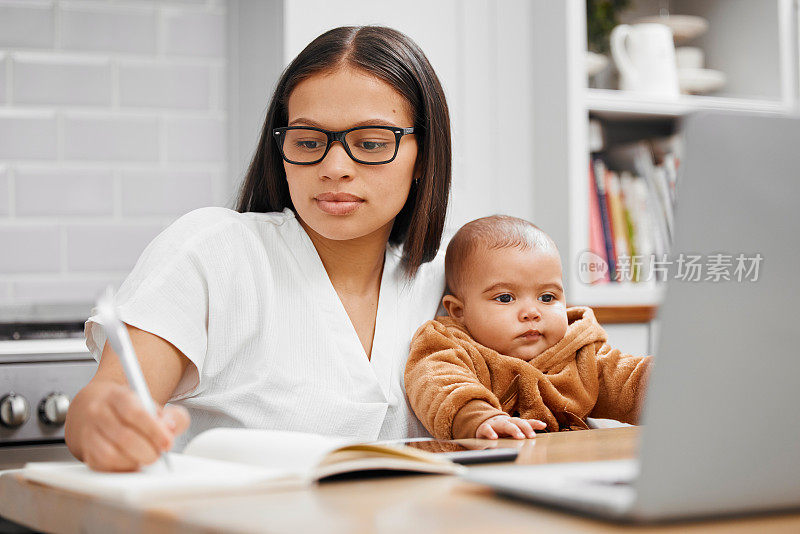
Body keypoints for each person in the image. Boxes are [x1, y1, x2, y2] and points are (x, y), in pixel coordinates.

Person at [65, 25, 452, 472]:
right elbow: (103, 401)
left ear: (424, 156)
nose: (334, 167)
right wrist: (101, 422)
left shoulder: (449, 286)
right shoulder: (214, 251)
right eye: (308, 142)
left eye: (370, 144)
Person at [404, 215, 652, 440]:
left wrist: (671, 379)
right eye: (505, 298)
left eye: (547, 298)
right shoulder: (450, 345)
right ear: (459, 311)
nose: (532, 312)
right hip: (491, 468)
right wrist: (481, 418)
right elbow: (438, 382)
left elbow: (627, 380)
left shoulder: (580, 351)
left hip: (572, 468)